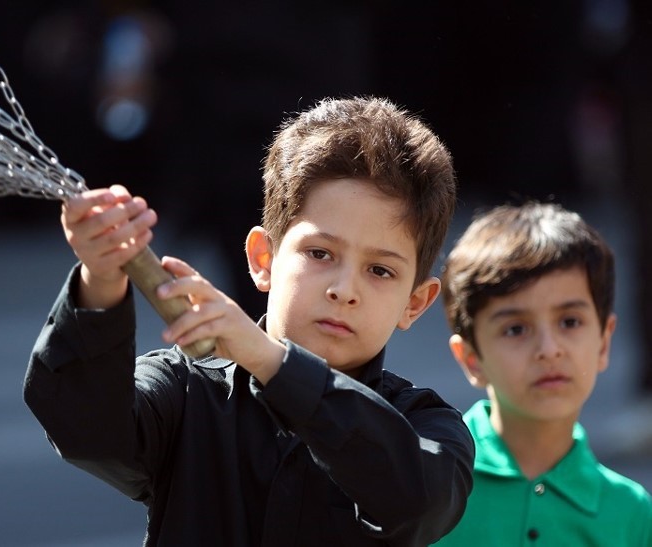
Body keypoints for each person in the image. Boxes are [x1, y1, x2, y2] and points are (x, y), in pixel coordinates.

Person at [24, 96, 475, 546]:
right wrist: (100, 278)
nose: (345, 289)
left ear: (415, 303)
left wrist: (272, 361)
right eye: (320, 254)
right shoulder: (184, 389)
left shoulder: (427, 426)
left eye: (380, 270)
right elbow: (87, 432)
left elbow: (419, 504)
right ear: (263, 258)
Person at [433, 202, 652, 546]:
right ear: (471, 359)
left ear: (604, 343)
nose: (549, 349)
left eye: (569, 322)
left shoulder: (633, 515)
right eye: (516, 328)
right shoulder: (426, 479)